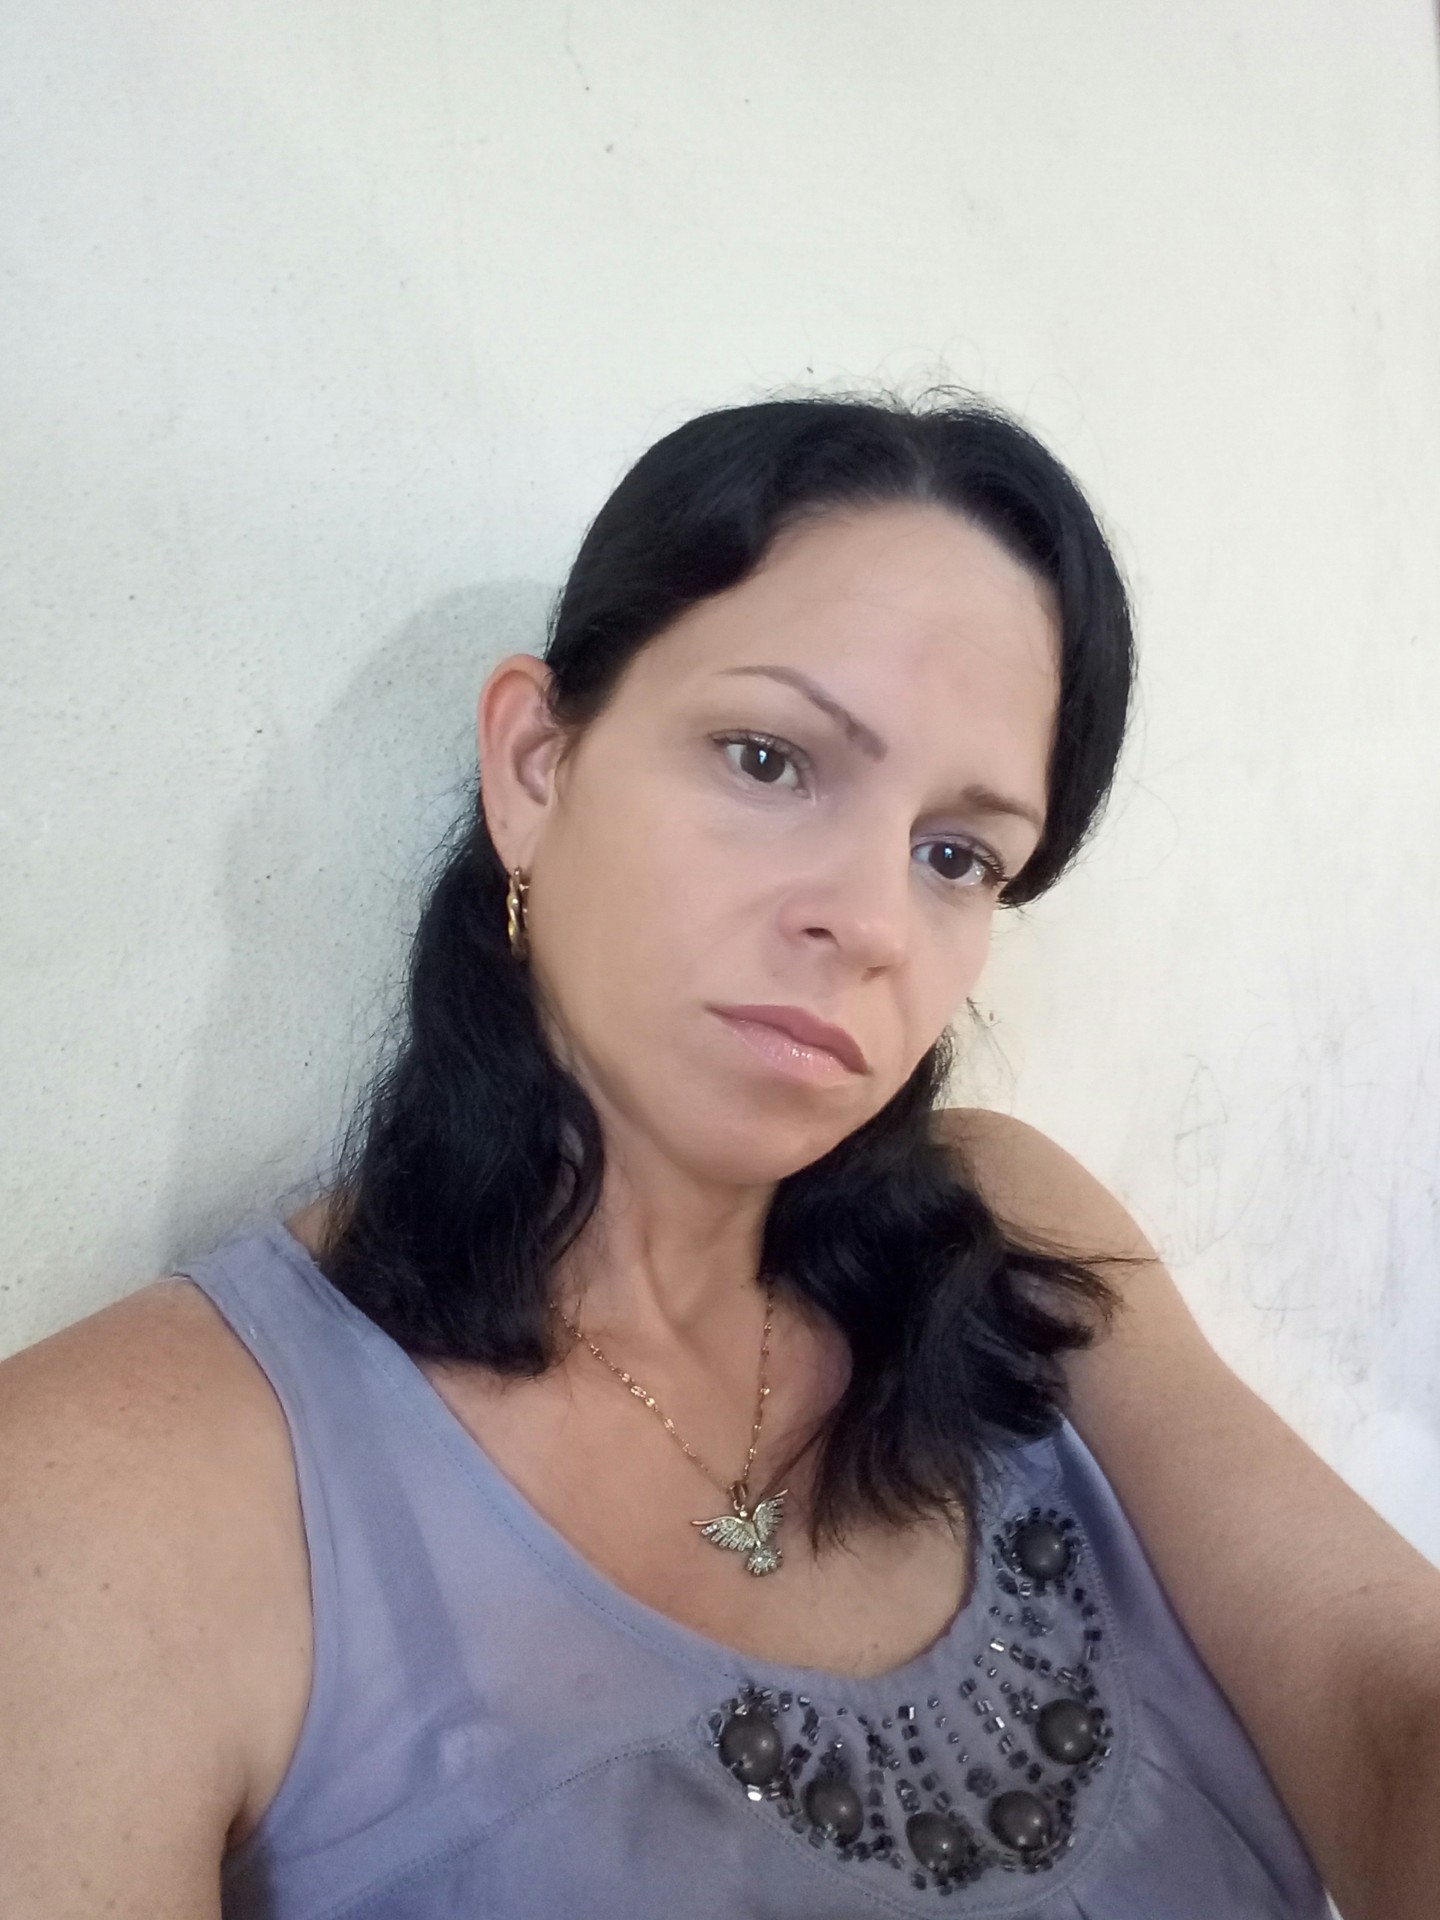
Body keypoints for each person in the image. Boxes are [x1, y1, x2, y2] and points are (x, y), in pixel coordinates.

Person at [1, 395, 1435, 1920]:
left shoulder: (1004, 1231)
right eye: (768, 758)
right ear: (535, 766)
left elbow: (1387, 1707)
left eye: (956, 855)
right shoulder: (111, 1492)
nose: (869, 923)